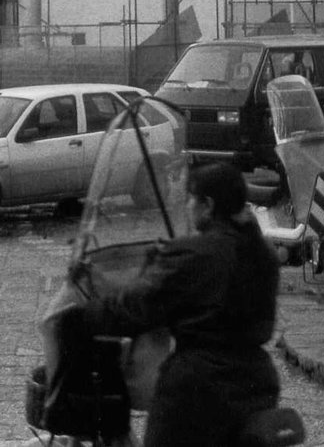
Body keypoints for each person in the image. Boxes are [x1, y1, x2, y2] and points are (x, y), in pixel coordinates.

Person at [82, 161, 280, 447]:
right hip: (258, 381)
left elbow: (140, 306)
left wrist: (90, 313)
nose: (187, 206)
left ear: (208, 206)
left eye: (190, 198)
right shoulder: (264, 254)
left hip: (198, 389)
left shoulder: (194, 254)